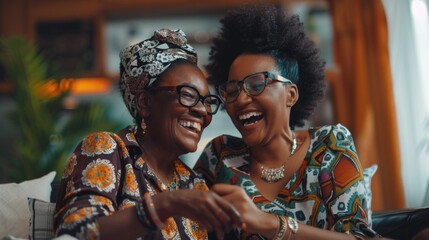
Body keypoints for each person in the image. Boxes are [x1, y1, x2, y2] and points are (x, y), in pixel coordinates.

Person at [194, 4, 382, 240]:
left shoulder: (329, 145)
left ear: (291, 95)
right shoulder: (219, 155)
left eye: (257, 83)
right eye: (232, 89)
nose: (240, 99)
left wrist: (271, 224)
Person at [54, 28, 244, 240]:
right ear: (145, 103)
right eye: (189, 95)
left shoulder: (193, 183)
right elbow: (77, 231)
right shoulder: (108, 149)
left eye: (207, 102)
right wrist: (165, 205)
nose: (203, 111)